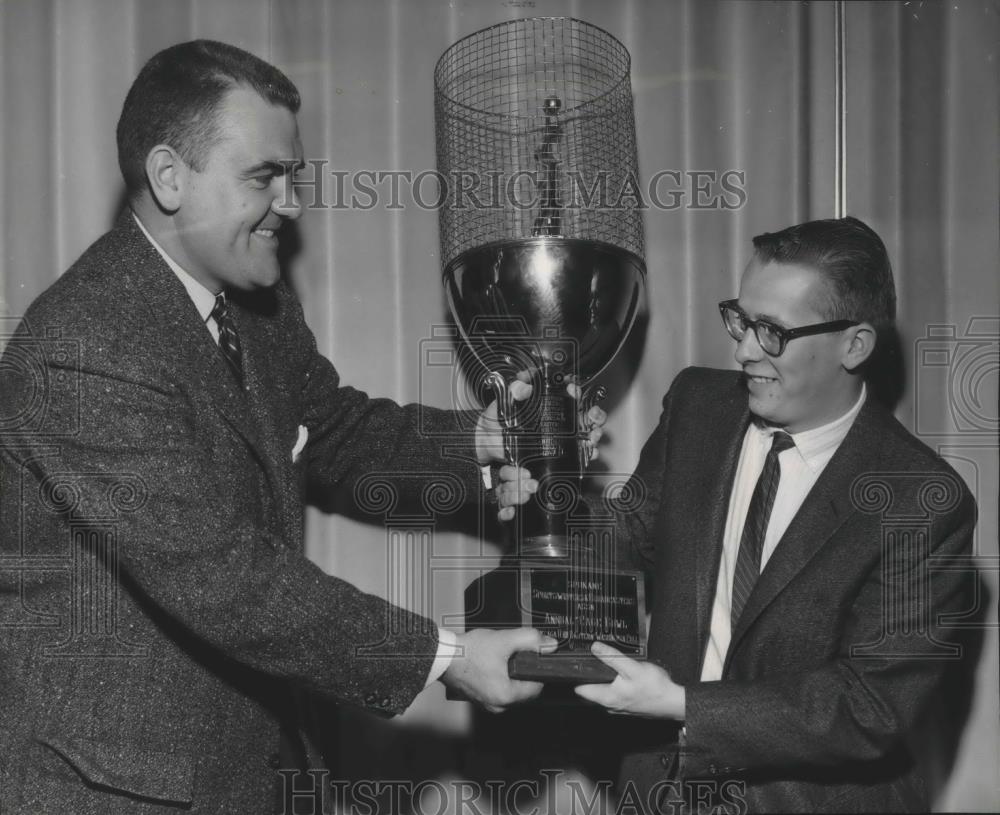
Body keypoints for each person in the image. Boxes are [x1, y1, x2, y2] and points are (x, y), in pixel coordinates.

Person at [0, 39, 588, 813]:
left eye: (293, 176)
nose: (293, 204)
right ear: (170, 176)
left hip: (251, 766)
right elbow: (223, 575)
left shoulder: (257, 302)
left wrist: (487, 439)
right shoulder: (83, 348)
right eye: (264, 177)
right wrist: (446, 657)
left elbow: (337, 428)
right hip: (116, 787)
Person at [576, 217, 977, 813]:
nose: (742, 350)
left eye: (771, 331)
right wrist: (546, 486)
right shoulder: (699, 406)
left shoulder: (920, 501)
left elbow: (870, 707)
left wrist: (683, 707)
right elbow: (627, 536)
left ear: (854, 345)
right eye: (740, 319)